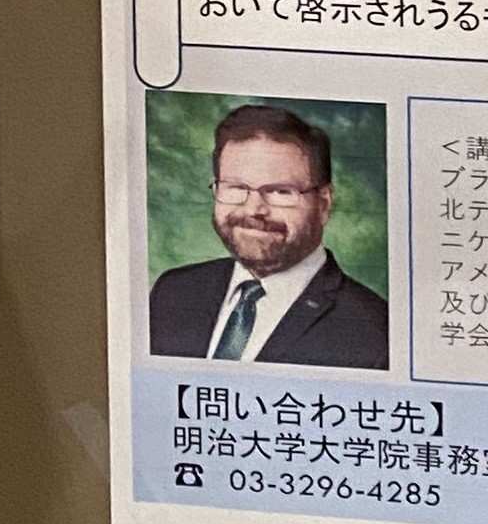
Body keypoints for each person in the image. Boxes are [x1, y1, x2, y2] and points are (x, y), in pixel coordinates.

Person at [146, 104, 388, 371]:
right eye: (236, 187)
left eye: (280, 192)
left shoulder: (375, 334)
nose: (254, 210)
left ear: (323, 203)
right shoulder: (173, 292)